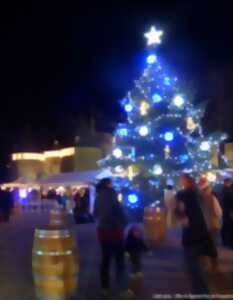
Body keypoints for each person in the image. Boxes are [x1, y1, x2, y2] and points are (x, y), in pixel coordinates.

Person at [176, 174, 217, 294]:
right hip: (202, 234)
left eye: (182, 181)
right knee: (198, 266)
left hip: (192, 235)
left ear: (186, 182)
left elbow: (181, 212)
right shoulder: (201, 196)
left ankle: (201, 293)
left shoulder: (184, 195)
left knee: (193, 268)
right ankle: (202, 292)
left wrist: (180, 213)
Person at [94, 178, 134, 299]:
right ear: (108, 184)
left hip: (102, 232)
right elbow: (119, 212)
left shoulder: (98, 196)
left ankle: (104, 288)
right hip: (115, 231)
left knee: (105, 259)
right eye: (111, 183)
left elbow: (95, 213)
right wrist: (124, 223)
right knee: (119, 260)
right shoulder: (112, 194)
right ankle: (122, 289)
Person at [198, 177, 222, 270]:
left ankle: (204, 263)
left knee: (202, 245)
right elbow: (219, 212)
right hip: (212, 225)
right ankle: (214, 265)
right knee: (212, 245)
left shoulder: (198, 199)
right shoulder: (212, 198)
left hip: (201, 226)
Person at [220, 178, 233, 248]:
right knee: (229, 227)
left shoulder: (223, 190)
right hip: (229, 211)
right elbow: (230, 201)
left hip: (225, 211)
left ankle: (225, 241)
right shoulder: (227, 190)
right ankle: (229, 243)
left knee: (225, 226)